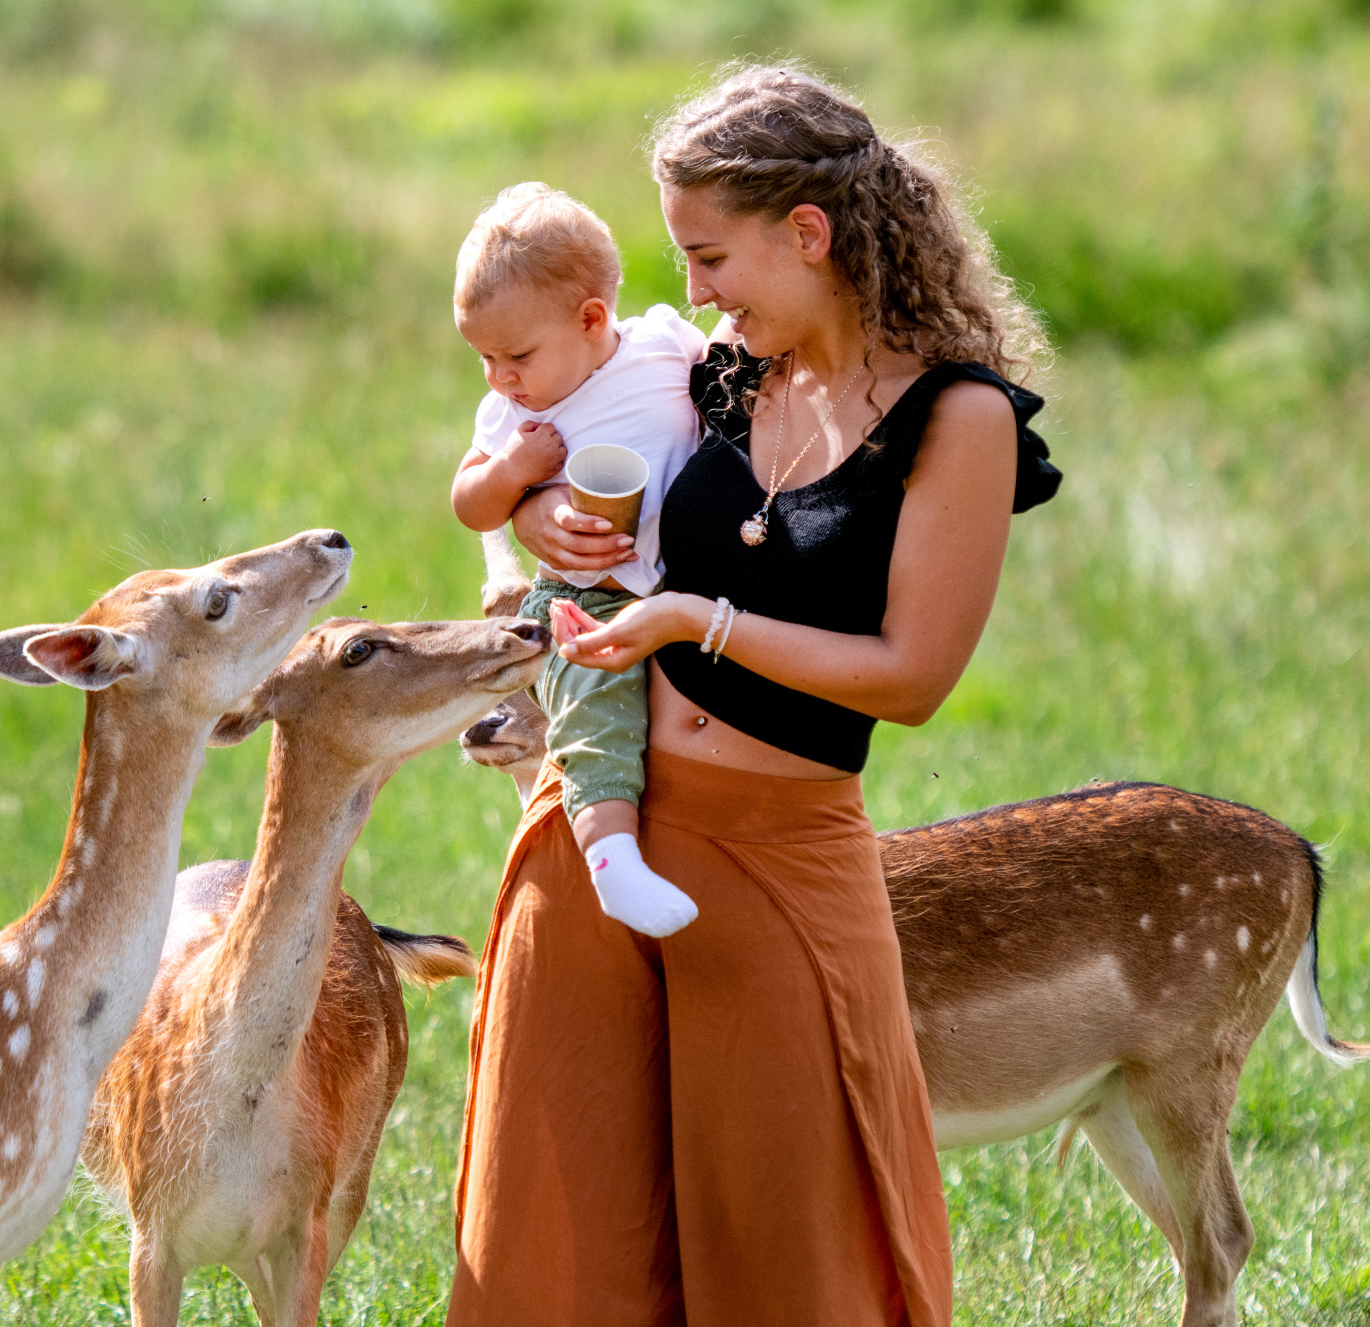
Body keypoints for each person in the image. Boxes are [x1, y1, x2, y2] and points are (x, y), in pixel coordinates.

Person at [448, 63, 1061, 1327]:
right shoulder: (715, 373)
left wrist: (700, 623)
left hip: (782, 868)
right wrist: (543, 510)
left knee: (797, 1262)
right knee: (555, 1255)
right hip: (593, 831)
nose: (695, 291)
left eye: (710, 255)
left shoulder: (958, 418)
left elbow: (913, 680)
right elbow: (544, 428)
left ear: (809, 233)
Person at [450, 182, 709, 938]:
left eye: (516, 354)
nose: (500, 375)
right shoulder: (517, 413)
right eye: (484, 358)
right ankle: (610, 859)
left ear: (593, 318)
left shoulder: (664, 344)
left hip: (687, 579)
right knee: (599, 712)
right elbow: (470, 501)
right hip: (587, 595)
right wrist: (515, 477)